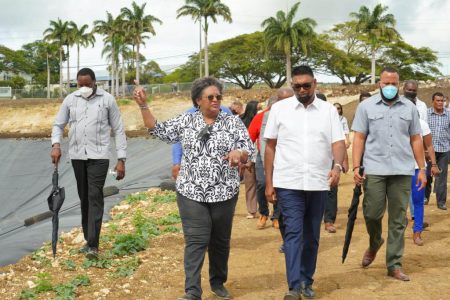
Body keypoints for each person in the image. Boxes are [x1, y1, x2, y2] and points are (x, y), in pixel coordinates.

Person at [133, 77, 254, 300]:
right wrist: (143, 105)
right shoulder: (186, 121)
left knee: (220, 240)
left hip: (224, 191)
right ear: (198, 100)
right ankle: (192, 291)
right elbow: (157, 129)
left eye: (219, 96)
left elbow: (249, 149)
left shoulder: (233, 122)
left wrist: (240, 154)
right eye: (211, 97)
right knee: (197, 240)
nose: (216, 100)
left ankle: (218, 282)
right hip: (191, 192)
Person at [264, 65, 346, 300]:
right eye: (296, 85)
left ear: (315, 83)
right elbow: (270, 146)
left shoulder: (328, 111)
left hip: (319, 183)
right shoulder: (279, 110)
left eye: (306, 85)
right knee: (293, 234)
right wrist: (269, 183)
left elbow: (338, 143)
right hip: (288, 182)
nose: (301, 89)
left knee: (311, 236)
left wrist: (337, 166)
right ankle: (293, 286)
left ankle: (307, 280)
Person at [352, 67, 426, 281]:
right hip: (375, 169)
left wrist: (421, 168)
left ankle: (394, 263)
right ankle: (375, 242)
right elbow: (359, 138)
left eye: (394, 83)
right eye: (386, 83)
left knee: (397, 220)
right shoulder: (366, 107)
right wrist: (357, 166)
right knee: (372, 213)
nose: (391, 87)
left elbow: (415, 139)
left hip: (402, 170)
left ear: (399, 84)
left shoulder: (410, 108)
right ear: (379, 84)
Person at [50, 68, 127, 260]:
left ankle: (93, 244)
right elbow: (58, 125)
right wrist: (56, 145)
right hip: (77, 155)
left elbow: (118, 129)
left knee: (94, 196)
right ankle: (88, 239)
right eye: (80, 84)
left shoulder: (107, 99)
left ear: (95, 83)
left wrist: (121, 159)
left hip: (99, 156)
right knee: (84, 197)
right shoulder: (70, 100)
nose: (83, 87)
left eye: (87, 84)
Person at [403, 87, 440, 245]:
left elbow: (429, 146)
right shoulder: (394, 124)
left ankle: (417, 232)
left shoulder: (422, 125)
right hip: (398, 169)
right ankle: (400, 225)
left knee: (418, 201)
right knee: (398, 202)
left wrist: (434, 164)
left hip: (418, 169)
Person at [171, 105, 232, 180]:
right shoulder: (189, 115)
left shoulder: (226, 112)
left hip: (221, 167)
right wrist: (176, 163)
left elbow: (235, 136)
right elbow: (178, 141)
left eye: (218, 97)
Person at [427, 92, 450, 210]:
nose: (440, 103)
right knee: (427, 175)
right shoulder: (426, 114)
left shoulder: (449, 115)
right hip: (428, 151)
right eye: (438, 100)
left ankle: (441, 202)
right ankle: (425, 197)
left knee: (442, 177)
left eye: (442, 100)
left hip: (444, 150)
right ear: (433, 101)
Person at [240, 100, 259, 219]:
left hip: (246, 157)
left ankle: (251, 210)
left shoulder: (241, 121)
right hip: (255, 156)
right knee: (260, 185)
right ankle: (261, 210)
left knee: (250, 185)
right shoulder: (258, 121)